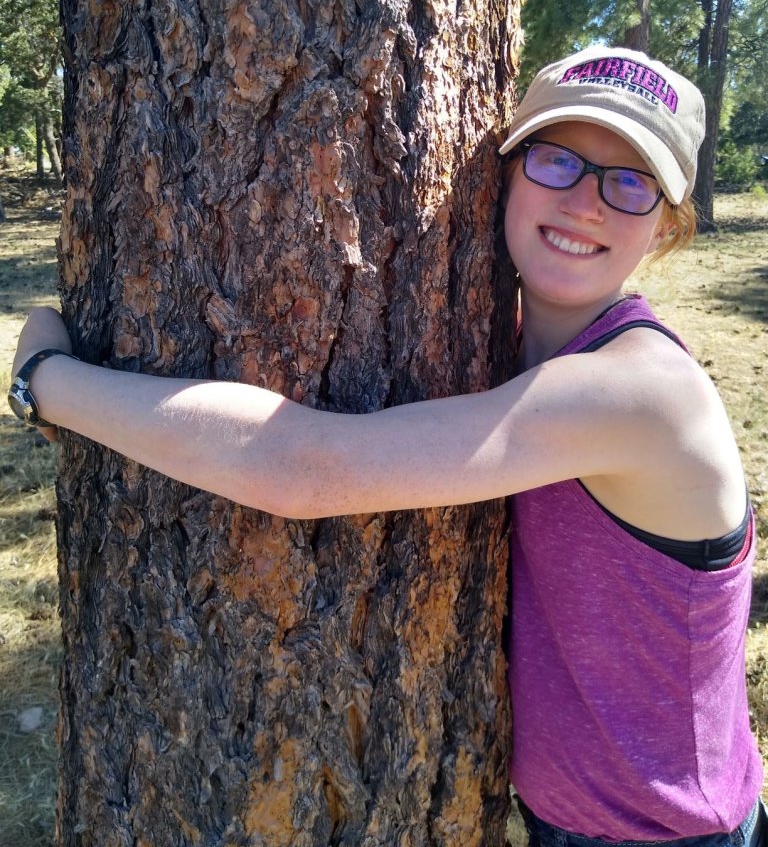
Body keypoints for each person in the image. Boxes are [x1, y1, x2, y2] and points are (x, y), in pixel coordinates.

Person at [8, 46, 764, 846]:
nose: (585, 201)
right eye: (556, 159)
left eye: (631, 181)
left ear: (667, 225)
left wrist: (45, 381)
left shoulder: (641, 393)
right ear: (504, 175)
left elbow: (302, 468)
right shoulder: (512, 354)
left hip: (667, 834)